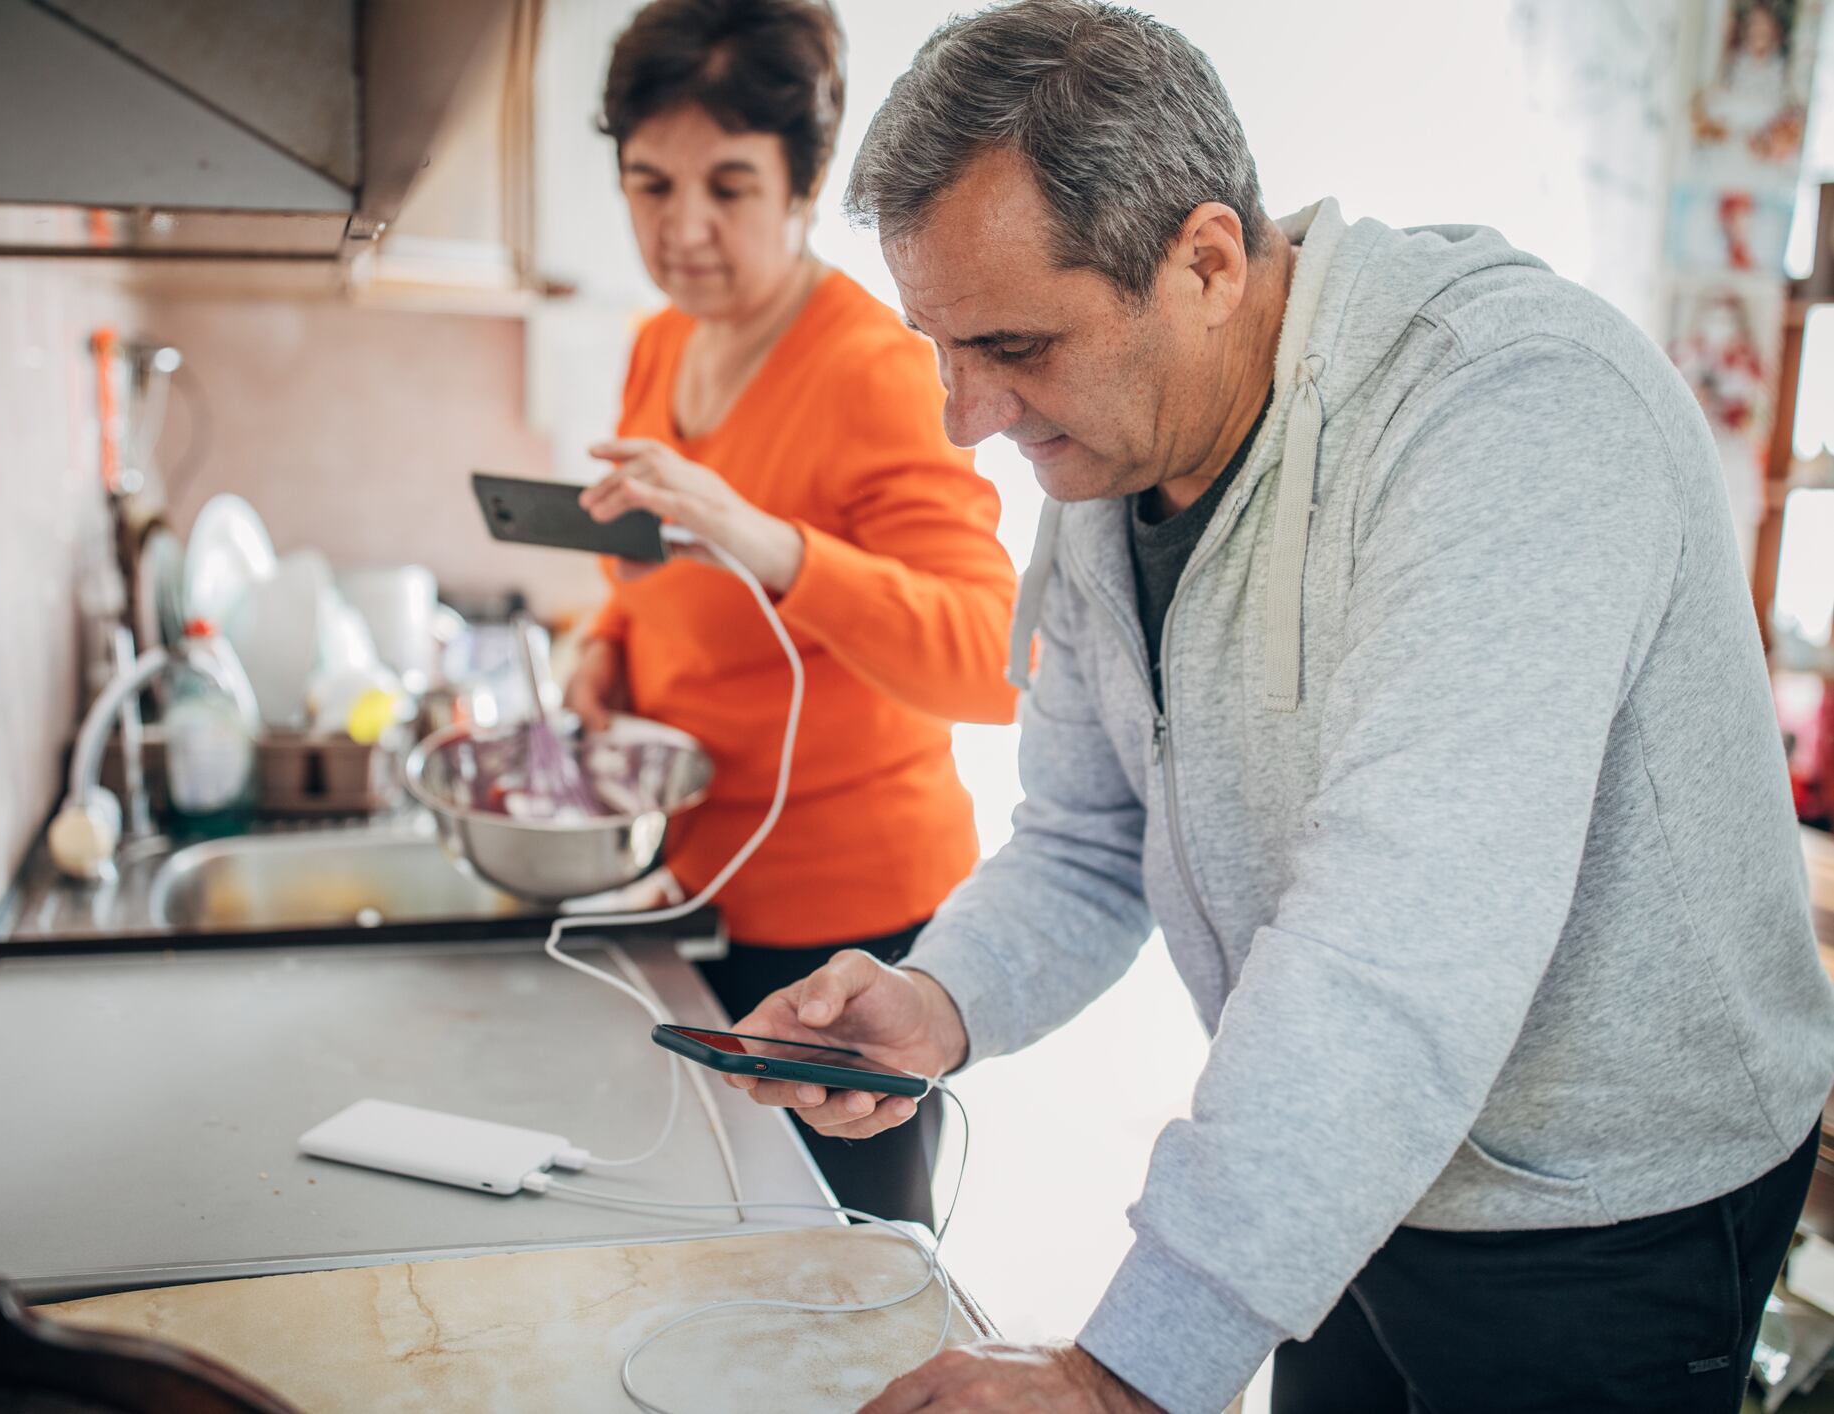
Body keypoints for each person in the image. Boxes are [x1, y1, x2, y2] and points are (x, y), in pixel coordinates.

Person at [720, 4, 1834, 1411]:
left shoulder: (1511, 412)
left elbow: (1401, 943)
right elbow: (1080, 836)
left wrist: (1122, 1372)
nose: (966, 416)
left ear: (1204, 259)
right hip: (1346, 1176)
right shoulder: (1109, 460)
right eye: (940, 346)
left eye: (1014, 345)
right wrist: (940, 1000)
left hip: (1601, 1209)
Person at [570, 0, 1021, 1226]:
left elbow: (994, 658)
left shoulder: (874, 369)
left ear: (805, 180)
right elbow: (651, 574)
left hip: (849, 935)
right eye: (649, 185)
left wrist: (765, 541)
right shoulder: (663, 343)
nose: (684, 229)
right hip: (696, 890)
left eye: (727, 184)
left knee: (844, 1286)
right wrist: (601, 645)